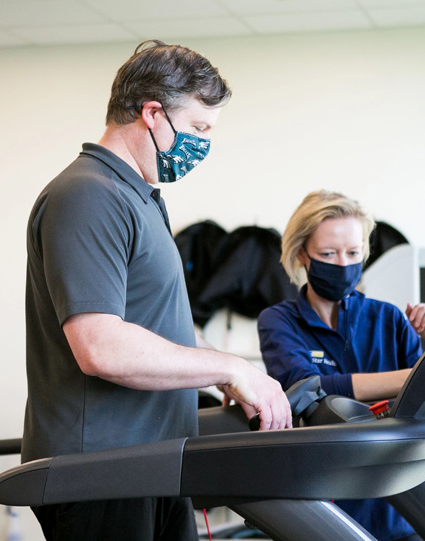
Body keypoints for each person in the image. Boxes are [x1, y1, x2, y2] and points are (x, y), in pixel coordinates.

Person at [22, 40, 292, 541]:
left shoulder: (140, 198)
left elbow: (161, 327)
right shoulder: (87, 195)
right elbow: (100, 347)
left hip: (153, 463)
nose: (204, 144)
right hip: (102, 475)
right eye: (197, 128)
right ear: (152, 113)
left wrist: (230, 377)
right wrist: (230, 367)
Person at [257, 189, 425, 541]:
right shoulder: (278, 321)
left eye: (353, 253)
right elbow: (308, 388)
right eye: (328, 253)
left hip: (395, 511)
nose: (343, 264)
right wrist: (408, 378)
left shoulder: (388, 319)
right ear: (302, 254)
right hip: (318, 511)